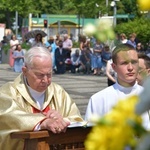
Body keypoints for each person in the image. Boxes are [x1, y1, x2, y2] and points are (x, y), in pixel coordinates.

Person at [0, 46, 83, 150]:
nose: (45, 80)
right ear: (25, 71)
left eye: (49, 74)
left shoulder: (58, 92)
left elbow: (77, 119)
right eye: (40, 75)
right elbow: (7, 119)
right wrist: (42, 121)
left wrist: (62, 120)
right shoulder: (8, 92)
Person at [85, 43, 149, 129]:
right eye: (124, 63)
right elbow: (90, 136)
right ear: (114, 67)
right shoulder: (98, 99)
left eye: (134, 62)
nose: (130, 68)